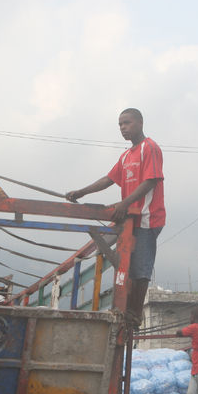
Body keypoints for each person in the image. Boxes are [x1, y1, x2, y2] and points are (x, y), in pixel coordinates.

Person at [66, 108, 164, 327]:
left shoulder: (150, 148)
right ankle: (124, 308)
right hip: (129, 220)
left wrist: (125, 203)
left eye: (126, 123)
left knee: (140, 268)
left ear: (140, 123)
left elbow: (151, 181)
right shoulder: (126, 155)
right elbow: (108, 179)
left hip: (147, 217)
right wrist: (81, 192)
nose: (122, 128)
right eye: (120, 124)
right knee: (126, 267)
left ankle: (134, 314)